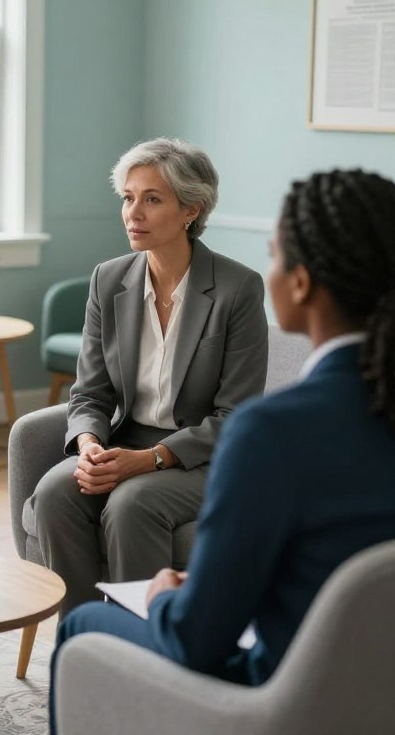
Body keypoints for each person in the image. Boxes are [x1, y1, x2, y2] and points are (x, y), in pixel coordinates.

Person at [50, 168, 395, 731]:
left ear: (302, 283)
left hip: (279, 698)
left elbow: (195, 639)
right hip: (375, 692)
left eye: (274, 255)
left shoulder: (273, 432)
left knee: (82, 626)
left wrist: (162, 594)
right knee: (58, 494)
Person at [32, 138, 268, 615]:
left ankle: (141, 651)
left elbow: (235, 417)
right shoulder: (108, 279)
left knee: (132, 504)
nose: (132, 213)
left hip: (202, 456)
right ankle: (85, 639)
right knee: (56, 492)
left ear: (190, 210)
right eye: (128, 197)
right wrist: (90, 446)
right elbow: (90, 392)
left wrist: (151, 459)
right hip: (125, 438)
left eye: (152, 199)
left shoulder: (237, 288)